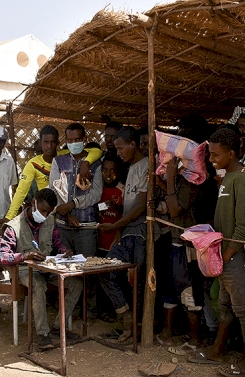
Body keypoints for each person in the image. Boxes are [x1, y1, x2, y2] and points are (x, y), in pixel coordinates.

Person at [189, 127, 245, 376]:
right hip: (224, 255)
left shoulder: (240, 179)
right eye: (209, 154)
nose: (211, 159)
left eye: (215, 155)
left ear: (231, 153)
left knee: (244, 308)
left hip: (234, 256)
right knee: (226, 304)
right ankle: (218, 349)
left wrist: (227, 254)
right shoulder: (227, 178)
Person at [0, 188, 83, 349]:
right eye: (42, 210)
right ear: (33, 203)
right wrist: (24, 256)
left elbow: (57, 243)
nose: (44, 215)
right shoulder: (14, 227)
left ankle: (57, 327)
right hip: (23, 270)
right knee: (38, 285)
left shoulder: (49, 221)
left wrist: (64, 251)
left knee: (76, 284)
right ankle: (43, 333)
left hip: (46, 268)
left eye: (48, 212)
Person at [157, 120, 209, 355]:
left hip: (188, 244)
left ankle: (195, 340)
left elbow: (176, 208)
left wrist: (169, 177)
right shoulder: (183, 175)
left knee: (189, 290)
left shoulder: (194, 179)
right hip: (176, 240)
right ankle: (167, 334)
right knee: (171, 286)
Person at [98, 126, 148, 343]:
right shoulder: (132, 168)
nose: (118, 153)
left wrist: (116, 225)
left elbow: (141, 206)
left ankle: (136, 329)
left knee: (138, 284)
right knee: (105, 272)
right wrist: (118, 228)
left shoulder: (146, 166)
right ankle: (127, 319)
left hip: (140, 234)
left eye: (120, 148)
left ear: (133, 145)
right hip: (126, 233)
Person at [7, 125, 101, 221]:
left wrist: (86, 162)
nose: (49, 146)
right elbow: (21, 192)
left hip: (67, 214)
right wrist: (9, 217)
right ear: (40, 143)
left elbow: (96, 151)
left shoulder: (64, 157)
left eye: (52, 142)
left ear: (58, 143)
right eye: (46, 142)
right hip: (47, 214)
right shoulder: (33, 164)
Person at [49, 123, 103, 257]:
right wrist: (66, 214)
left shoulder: (96, 163)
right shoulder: (58, 161)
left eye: (77, 140)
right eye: (70, 140)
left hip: (87, 227)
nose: (73, 143)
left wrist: (73, 204)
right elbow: (54, 191)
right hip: (62, 226)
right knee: (65, 269)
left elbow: (96, 194)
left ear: (84, 139)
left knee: (87, 269)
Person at [96, 156, 124, 255]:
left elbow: (126, 212)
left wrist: (116, 207)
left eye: (112, 171)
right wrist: (103, 206)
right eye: (105, 170)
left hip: (115, 240)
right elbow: (94, 209)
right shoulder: (98, 189)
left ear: (118, 172)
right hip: (99, 241)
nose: (108, 174)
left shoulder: (122, 190)